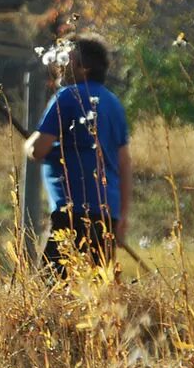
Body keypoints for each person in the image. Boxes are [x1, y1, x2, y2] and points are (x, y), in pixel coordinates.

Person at [22, 34, 132, 275]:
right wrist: (122, 217)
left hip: (73, 214)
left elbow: (38, 148)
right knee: (91, 293)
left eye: (68, 59)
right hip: (107, 213)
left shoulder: (68, 97)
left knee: (53, 289)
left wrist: (29, 145)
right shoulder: (113, 103)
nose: (61, 64)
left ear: (84, 67)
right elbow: (124, 164)